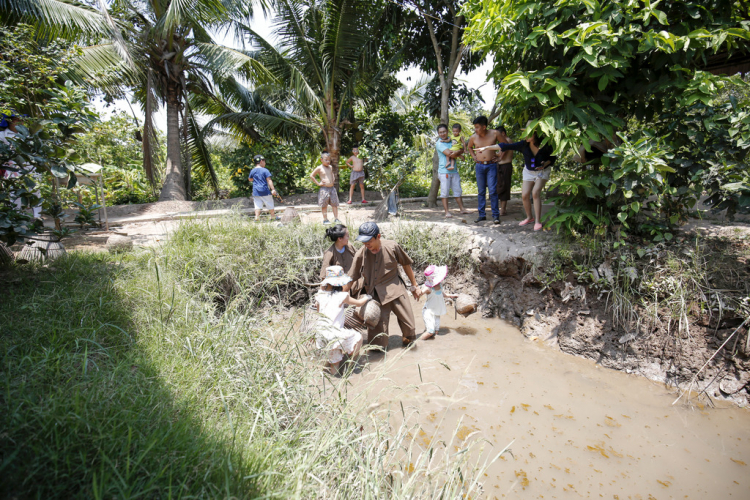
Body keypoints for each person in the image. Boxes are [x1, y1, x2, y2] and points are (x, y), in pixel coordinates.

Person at [348, 222, 421, 348]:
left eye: (369, 240)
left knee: (410, 328)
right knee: (378, 341)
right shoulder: (361, 254)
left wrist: (415, 285)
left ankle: (406, 345)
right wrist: (340, 297)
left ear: (378, 236)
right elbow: (351, 278)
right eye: (363, 241)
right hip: (375, 296)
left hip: (396, 289)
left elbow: (405, 264)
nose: (366, 244)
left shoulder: (392, 246)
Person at [475, 120, 557, 231]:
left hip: (542, 171)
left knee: (535, 192)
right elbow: (505, 145)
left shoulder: (546, 145)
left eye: (528, 133)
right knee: (524, 195)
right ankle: (529, 218)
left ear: (535, 134)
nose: (525, 135)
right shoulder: (523, 145)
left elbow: (553, 157)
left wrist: (545, 164)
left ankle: (538, 221)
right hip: (528, 171)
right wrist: (486, 148)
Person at [314, 266, 370, 374]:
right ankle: (351, 366)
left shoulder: (319, 295)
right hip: (334, 334)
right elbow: (359, 303)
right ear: (340, 282)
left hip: (321, 333)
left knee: (334, 362)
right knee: (358, 338)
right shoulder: (342, 296)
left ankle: (332, 377)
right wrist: (367, 297)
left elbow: (319, 313)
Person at [466, 116, 503, 224]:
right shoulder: (473, 137)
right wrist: (473, 156)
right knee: (481, 191)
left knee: (492, 191)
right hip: (479, 166)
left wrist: (500, 155)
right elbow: (469, 147)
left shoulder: (495, 134)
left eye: (477, 127)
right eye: (475, 127)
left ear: (484, 127)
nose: (475, 130)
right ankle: (482, 215)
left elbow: (505, 145)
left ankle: (496, 216)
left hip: (491, 165)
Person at [435, 124, 471, 218]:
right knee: (445, 192)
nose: (442, 134)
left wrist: (460, 151)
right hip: (444, 171)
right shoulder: (439, 143)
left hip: (454, 170)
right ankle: (447, 211)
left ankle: (462, 209)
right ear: (438, 133)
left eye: (444, 131)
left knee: (458, 190)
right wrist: (460, 153)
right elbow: (450, 154)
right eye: (440, 132)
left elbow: (460, 148)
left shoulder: (452, 140)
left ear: (447, 131)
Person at [418, 264, 458, 340]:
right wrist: (417, 291)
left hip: (436, 311)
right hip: (428, 311)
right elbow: (420, 293)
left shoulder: (439, 285)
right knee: (430, 332)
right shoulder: (428, 288)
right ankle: (419, 342)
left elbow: (443, 295)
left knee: (436, 332)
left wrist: (453, 295)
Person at [309, 152, 341, 225]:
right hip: (324, 189)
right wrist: (318, 183)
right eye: (326, 160)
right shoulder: (319, 168)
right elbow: (311, 176)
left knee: (334, 204)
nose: (328, 161)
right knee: (324, 205)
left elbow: (332, 174)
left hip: (332, 188)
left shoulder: (330, 167)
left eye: (329, 160)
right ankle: (325, 219)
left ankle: (336, 218)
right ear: (321, 160)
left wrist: (333, 179)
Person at [247, 155, 277, 221]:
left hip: (256, 191)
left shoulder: (253, 171)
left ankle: (257, 218)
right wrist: (273, 189)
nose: (265, 163)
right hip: (265, 191)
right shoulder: (265, 170)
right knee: (270, 204)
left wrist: (255, 179)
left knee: (257, 206)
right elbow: (269, 180)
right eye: (264, 161)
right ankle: (273, 217)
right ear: (261, 161)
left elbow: (250, 179)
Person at [494, 126, 514, 216]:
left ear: (503, 133)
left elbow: (504, 153)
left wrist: (499, 158)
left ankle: (503, 209)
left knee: (505, 187)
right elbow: (500, 153)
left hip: (506, 166)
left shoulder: (508, 140)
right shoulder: (502, 143)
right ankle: (502, 208)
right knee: (500, 187)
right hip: (501, 166)